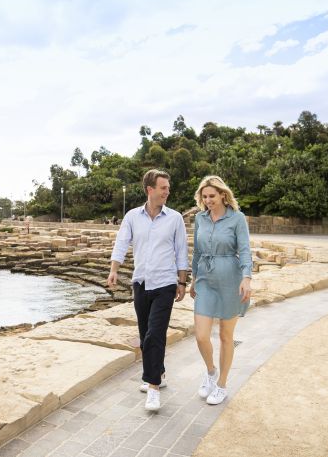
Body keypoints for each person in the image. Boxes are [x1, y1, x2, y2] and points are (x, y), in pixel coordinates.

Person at [107, 169, 189, 411]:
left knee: (155, 333)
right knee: (145, 335)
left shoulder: (174, 218)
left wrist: (182, 282)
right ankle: (159, 373)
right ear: (149, 189)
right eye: (163, 187)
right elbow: (121, 243)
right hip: (140, 282)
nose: (168, 191)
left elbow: (181, 252)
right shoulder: (132, 217)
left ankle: (152, 386)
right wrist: (114, 270)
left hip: (165, 283)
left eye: (168, 187)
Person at [188, 175, 253, 405]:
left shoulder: (237, 219)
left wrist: (246, 277)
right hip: (205, 278)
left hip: (230, 279)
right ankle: (211, 371)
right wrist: (193, 279)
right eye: (204, 197)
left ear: (223, 195)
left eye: (212, 196)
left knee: (226, 335)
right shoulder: (200, 219)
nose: (208, 200)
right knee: (201, 335)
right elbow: (196, 251)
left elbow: (244, 250)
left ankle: (222, 384)